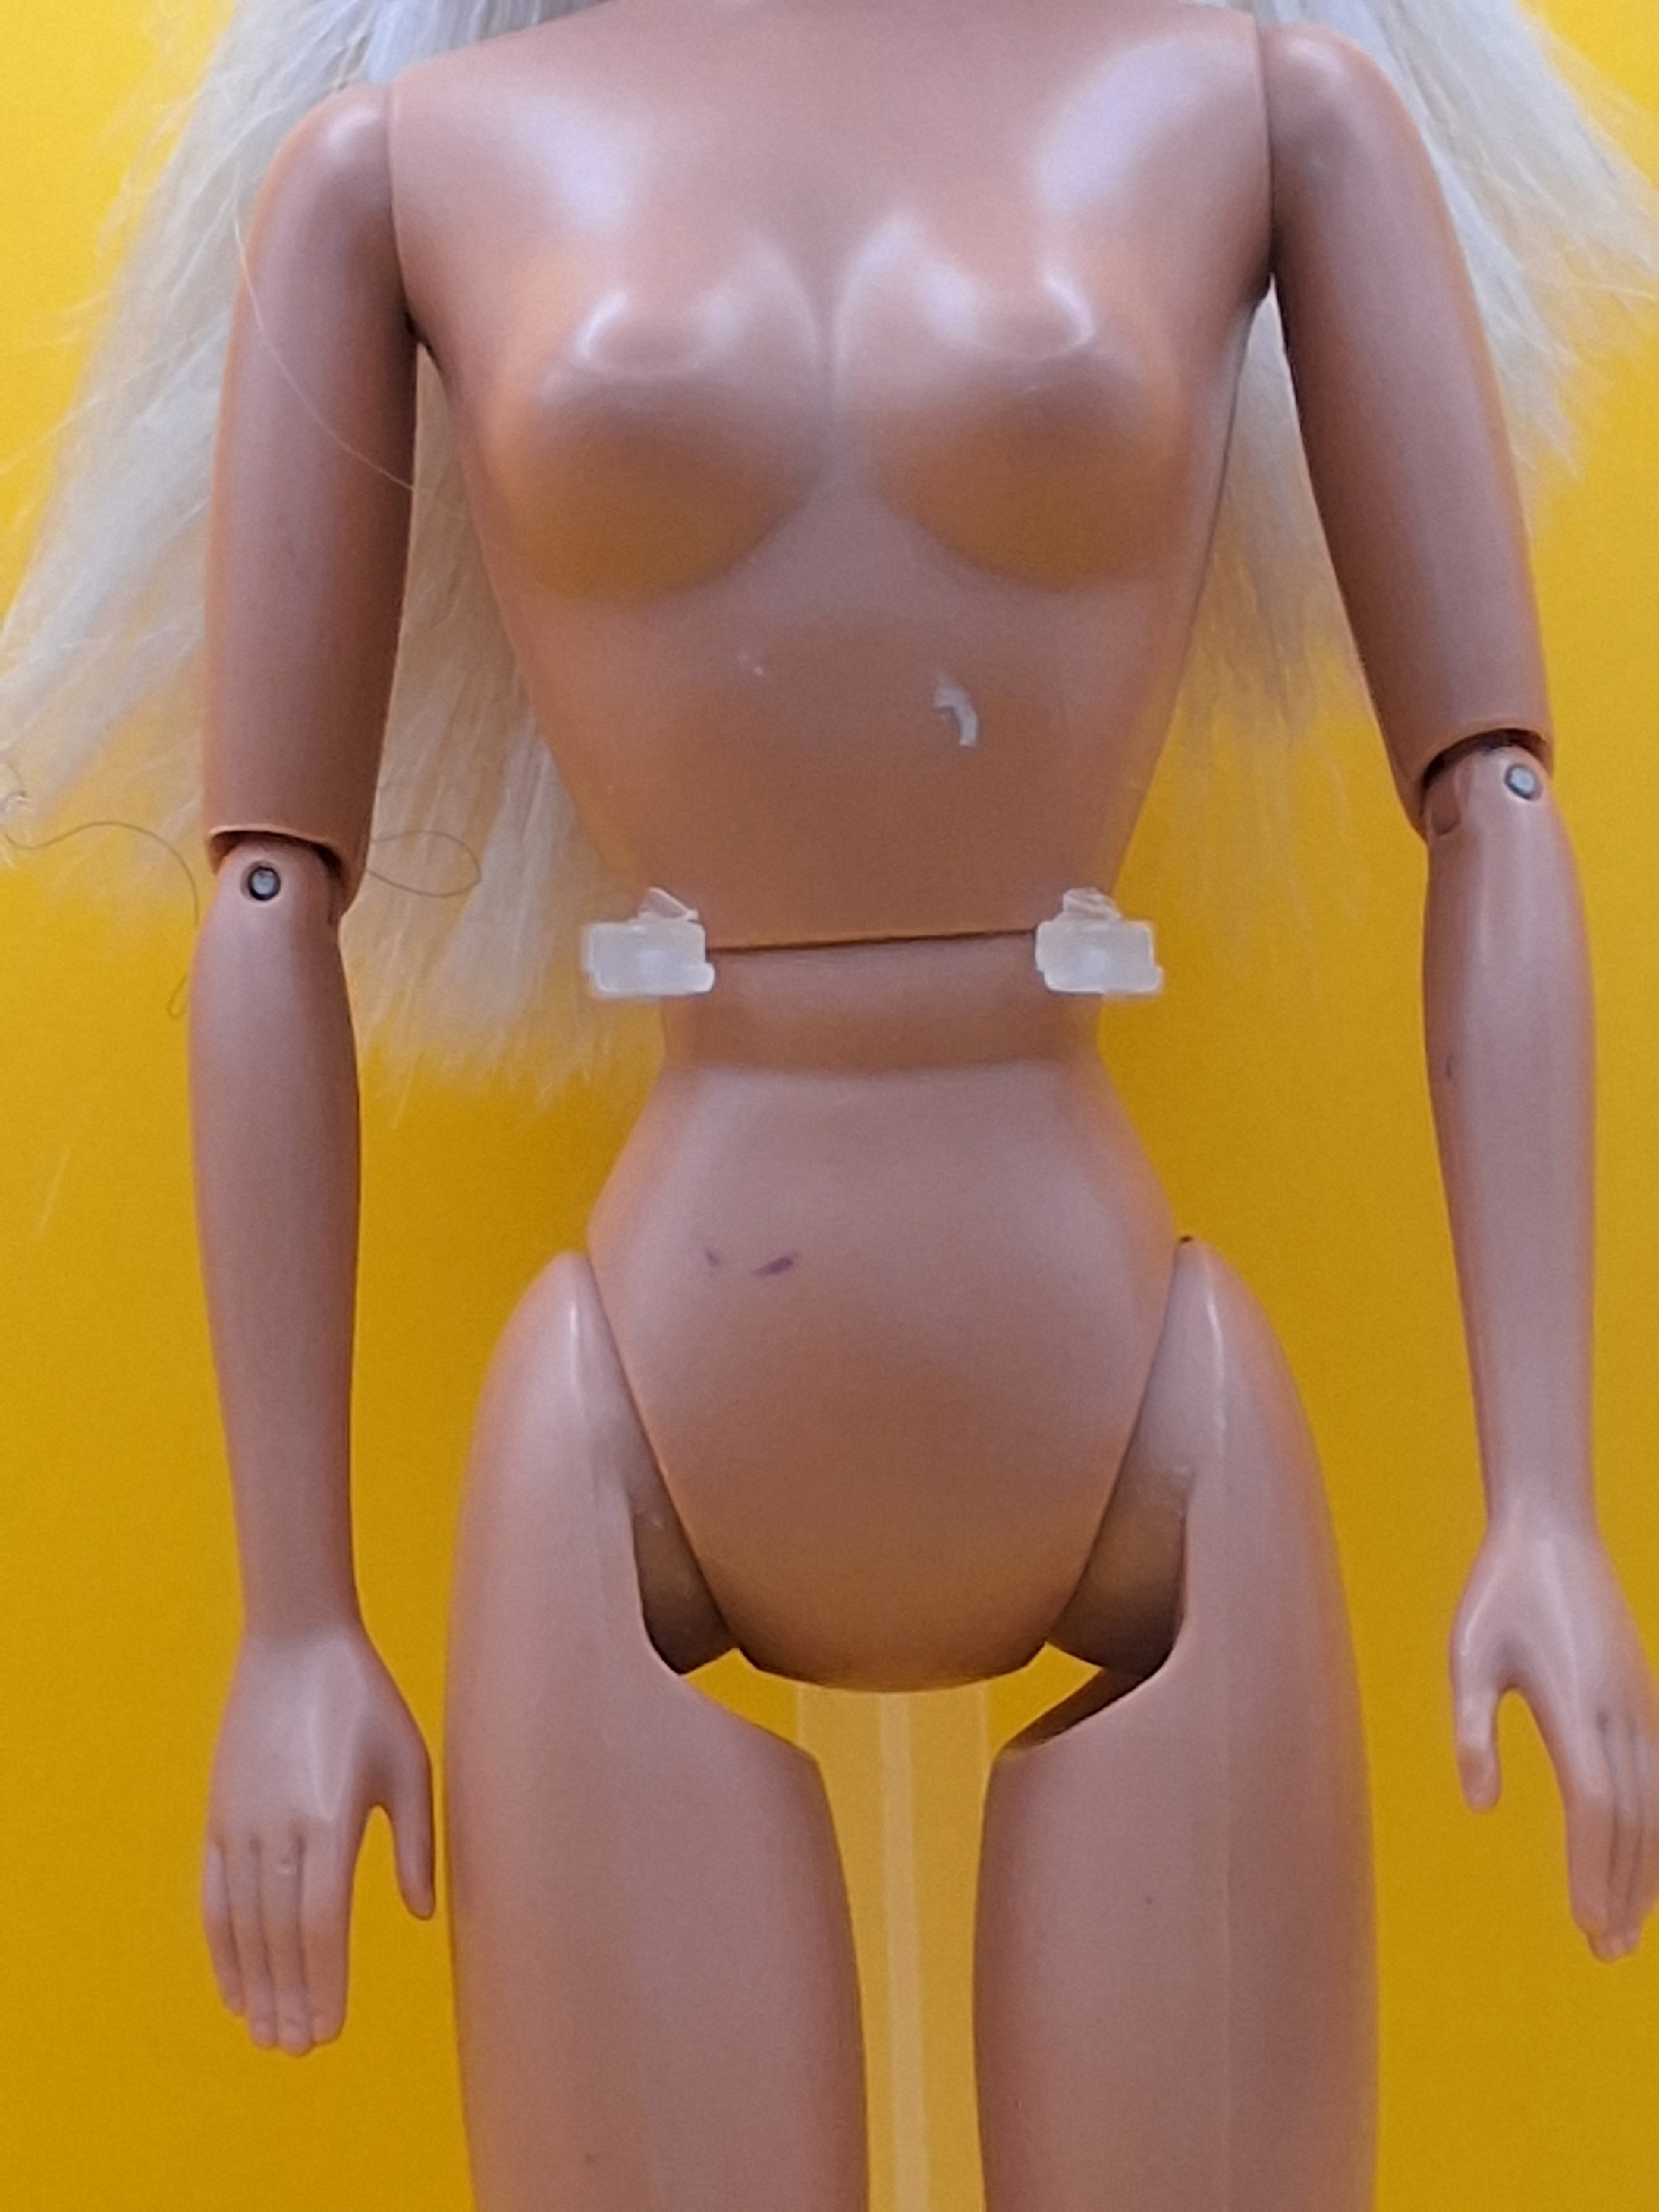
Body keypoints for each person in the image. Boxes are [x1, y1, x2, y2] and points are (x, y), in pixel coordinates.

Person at [3, 0, 1656, 2203]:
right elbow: (267, 887)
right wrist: (295, 1616)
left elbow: (1493, 787)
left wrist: (1546, 1498)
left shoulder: (1264, 106)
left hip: (1136, 1397)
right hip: (645, 1419)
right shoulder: (391, 171)